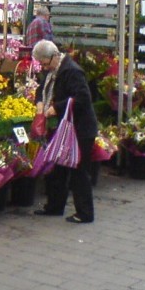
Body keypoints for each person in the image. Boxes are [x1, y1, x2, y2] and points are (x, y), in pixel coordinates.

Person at [32, 40, 98, 223]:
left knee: (79, 171)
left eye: (45, 63)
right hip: (63, 128)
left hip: (80, 129)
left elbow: (83, 98)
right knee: (56, 168)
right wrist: (39, 103)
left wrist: (57, 108)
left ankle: (84, 213)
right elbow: (42, 89)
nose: (44, 68)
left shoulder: (71, 71)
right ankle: (54, 206)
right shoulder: (53, 71)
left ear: (54, 56)